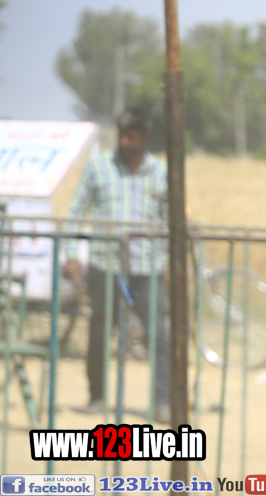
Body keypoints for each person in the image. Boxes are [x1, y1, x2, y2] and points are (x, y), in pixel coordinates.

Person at [63, 109, 170, 422]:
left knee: (158, 334)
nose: (125, 142)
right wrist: (71, 254)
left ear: (144, 138)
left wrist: (168, 262)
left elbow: (168, 221)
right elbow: (76, 211)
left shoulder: (160, 172)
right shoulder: (98, 167)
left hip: (147, 266)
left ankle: (163, 400)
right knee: (99, 332)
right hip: (105, 264)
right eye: (122, 136)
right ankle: (96, 396)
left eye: (132, 137)